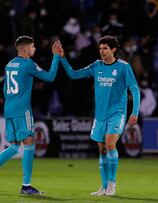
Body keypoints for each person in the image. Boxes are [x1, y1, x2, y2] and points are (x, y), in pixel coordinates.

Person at [0, 36, 62, 195]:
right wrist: (56, 56)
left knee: (15, 146)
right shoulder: (27, 64)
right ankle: (26, 186)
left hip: (9, 109)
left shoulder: (10, 64)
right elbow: (50, 77)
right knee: (30, 143)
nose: (34, 49)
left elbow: (4, 89)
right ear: (24, 49)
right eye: (32, 46)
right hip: (23, 110)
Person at [59, 35, 140, 196]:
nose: (101, 51)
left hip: (117, 113)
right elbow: (74, 75)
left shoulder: (124, 67)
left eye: (105, 48)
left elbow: (135, 90)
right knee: (102, 149)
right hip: (100, 115)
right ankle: (103, 186)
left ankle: (112, 184)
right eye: (100, 48)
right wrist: (62, 59)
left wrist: (135, 111)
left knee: (110, 144)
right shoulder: (96, 66)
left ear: (113, 50)